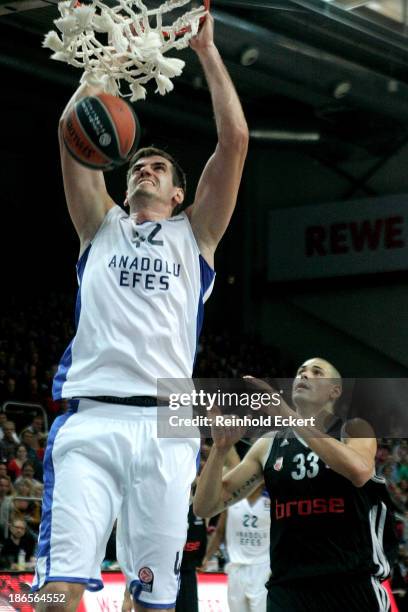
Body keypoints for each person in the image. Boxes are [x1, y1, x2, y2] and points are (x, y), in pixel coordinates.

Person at [32, 12, 248, 612]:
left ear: (180, 194)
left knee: (151, 601)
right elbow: (69, 131)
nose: (144, 170)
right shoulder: (99, 227)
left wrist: (206, 51)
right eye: (136, 167)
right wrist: (102, 68)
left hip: (166, 429)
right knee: (57, 590)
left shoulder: (196, 237)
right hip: (92, 419)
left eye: (157, 168)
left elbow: (234, 142)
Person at [194, 357, 396, 612]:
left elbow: (359, 471)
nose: (305, 375)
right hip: (289, 587)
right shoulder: (269, 444)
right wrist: (220, 451)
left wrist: (288, 415)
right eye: (301, 371)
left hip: (350, 580)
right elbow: (204, 507)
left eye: (316, 371)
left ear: (335, 390)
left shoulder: (354, 428)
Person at [201, 483, 270, 612]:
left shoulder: (271, 503)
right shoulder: (232, 502)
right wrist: (206, 558)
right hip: (236, 568)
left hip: (263, 569)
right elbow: (219, 532)